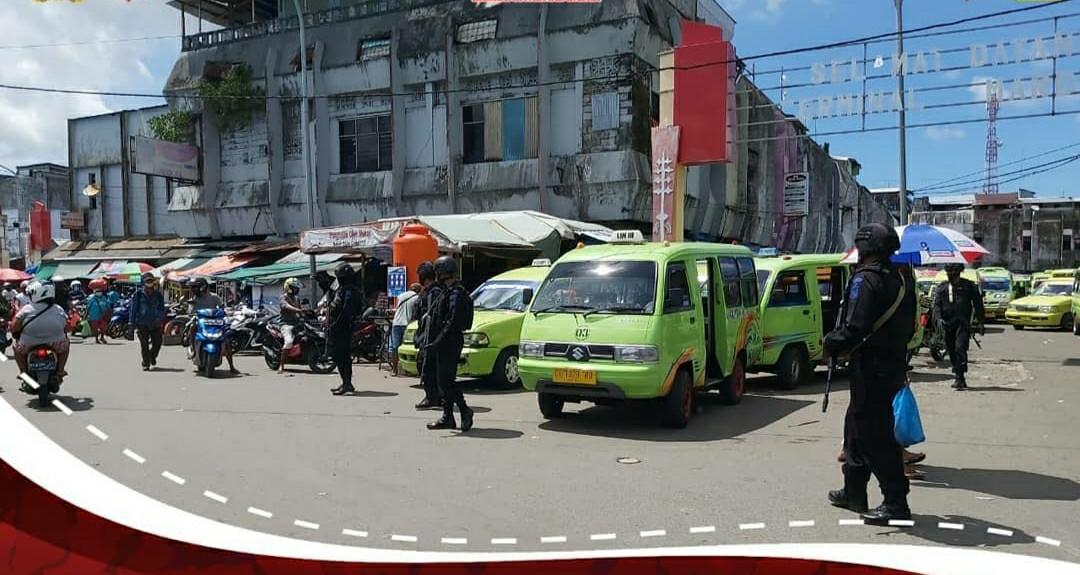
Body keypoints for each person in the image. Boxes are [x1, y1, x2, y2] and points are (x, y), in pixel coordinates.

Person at [824, 223, 914, 524]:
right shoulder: (900, 280)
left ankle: (895, 501)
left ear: (868, 247)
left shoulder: (866, 280)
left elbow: (855, 326)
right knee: (855, 428)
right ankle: (853, 491)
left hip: (871, 367)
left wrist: (832, 342)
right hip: (891, 365)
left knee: (875, 435)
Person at [424, 256, 474, 432]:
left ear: (443, 272)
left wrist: (437, 342)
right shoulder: (447, 291)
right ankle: (449, 417)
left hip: (450, 341)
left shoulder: (456, 293)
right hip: (444, 341)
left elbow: (452, 322)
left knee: (447, 381)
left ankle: (464, 411)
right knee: (443, 382)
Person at [933, 263, 985, 390]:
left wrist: (981, 322)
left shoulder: (969, 286)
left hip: (963, 324)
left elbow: (978, 305)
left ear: (959, 273)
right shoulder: (942, 288)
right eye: (949, 273)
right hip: (947, 324)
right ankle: (958, 374)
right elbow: (937, 305)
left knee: (960, 348)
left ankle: (960, 376)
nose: (951, 275)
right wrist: (938, 318)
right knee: (951, 349)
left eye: (954, 273)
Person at [12, 282, 70, 379]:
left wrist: (16, 334)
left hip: (28, 343)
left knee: (16, 347)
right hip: (56, 343)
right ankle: (60, 370)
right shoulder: (58, 309)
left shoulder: (26, 309)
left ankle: (23, 372)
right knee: (66, 346)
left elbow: (14, 326)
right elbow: (67, 327)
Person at [188, 277, 238, 374]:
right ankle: (193, 348)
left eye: (195, 287)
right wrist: (192, 308)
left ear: (203, 287)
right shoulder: (194, 299)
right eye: (192, 287)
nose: (193, 289)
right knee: (192, 328)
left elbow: (222, 308)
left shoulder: (214, 297)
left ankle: (232, 366)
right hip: (201, 323)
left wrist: (226, 311)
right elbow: (190, 312)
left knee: (226, 340)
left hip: (215, 323)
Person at [414, 261, 443, 410]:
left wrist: (426, 339)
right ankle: (434, 396)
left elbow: (430, 317)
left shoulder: (434, 292)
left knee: (426, 367)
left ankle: (432, 397)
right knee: (427, 367)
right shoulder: (430, 291)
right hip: (427, 335)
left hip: (430, 337)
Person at [327, 264, 360, 396]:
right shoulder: (343, 290)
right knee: (340, 356)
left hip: (343, 329)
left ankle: (347, 383)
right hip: (339, 328)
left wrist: (336, 324)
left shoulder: (349, 292)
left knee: (342, 357)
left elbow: (346, 311)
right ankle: (346, 382)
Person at [129, 273, 166, 371]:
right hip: (142, 323)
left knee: (158, 343)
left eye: (151, 281)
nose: (149, 283)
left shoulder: (158, 295)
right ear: (143, 282)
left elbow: (162, 308)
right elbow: (133, 310)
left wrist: (160, 318)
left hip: (155, 323)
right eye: (147, 281)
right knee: (144, 345)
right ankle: (146, 363)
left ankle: (152, 356)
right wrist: (131, 324)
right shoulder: (137, 295)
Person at [390, 283, 422, 376]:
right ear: (418, 290)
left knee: (395, 347)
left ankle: (394, 370)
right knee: (407, 347)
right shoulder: (417, 298)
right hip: (407, 324)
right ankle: (407, 370)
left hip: (396, 323)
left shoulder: (400, 296)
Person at [278, 277, 305, 375]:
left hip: (297, 323)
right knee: (289, 342)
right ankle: (281, 365)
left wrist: (306, 313)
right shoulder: (283, 297)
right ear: (289, 287)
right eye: (295, 288)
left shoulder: (297, 298)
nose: (297, 290)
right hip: (286, 324)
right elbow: (285, 306)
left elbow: (300, 309)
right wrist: (298, 310)